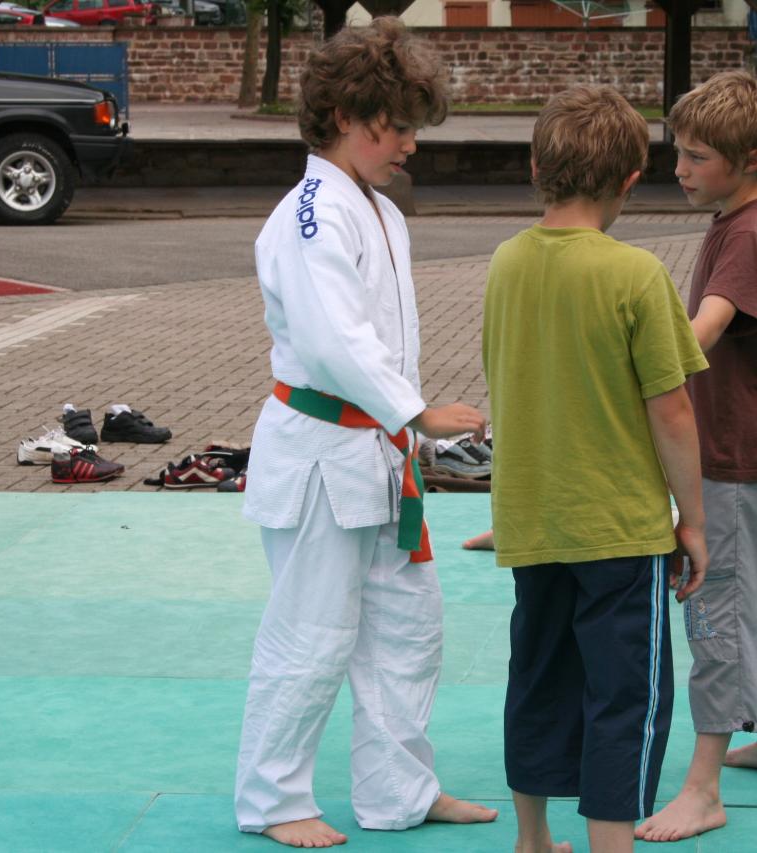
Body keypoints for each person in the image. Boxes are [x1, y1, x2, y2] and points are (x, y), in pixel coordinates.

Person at [232, 19, 497, 849]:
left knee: (407, 628)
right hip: (320, 454)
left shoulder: (376, 209)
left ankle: (399, 792)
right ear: (348, 113)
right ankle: (274, 800)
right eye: (401, 124)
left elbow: (379, 338)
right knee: (310, 632)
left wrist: (405, 427)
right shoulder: (313, 213)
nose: (412, 143)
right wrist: (413, 411)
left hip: (376, 457)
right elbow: (330, 338)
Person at [483, 84, 710, 853]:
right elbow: (672, 410)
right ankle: (613, 843)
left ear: (538, 164)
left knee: (538, 676)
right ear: (628, 179)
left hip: (531, 516)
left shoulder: (506, 262)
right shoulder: (635, 274)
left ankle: (533, 836)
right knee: (627, 694)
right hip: (617, 523)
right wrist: (694, 519)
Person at [638, 70, 757, 843]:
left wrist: (627, 358)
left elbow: (700, 333)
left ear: (748, 158)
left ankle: (703, 785)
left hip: (737, 458)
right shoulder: (745, 218)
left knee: (719, 608)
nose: (680, 168)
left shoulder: (745, 233)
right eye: (678, 152)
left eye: (697, 156)